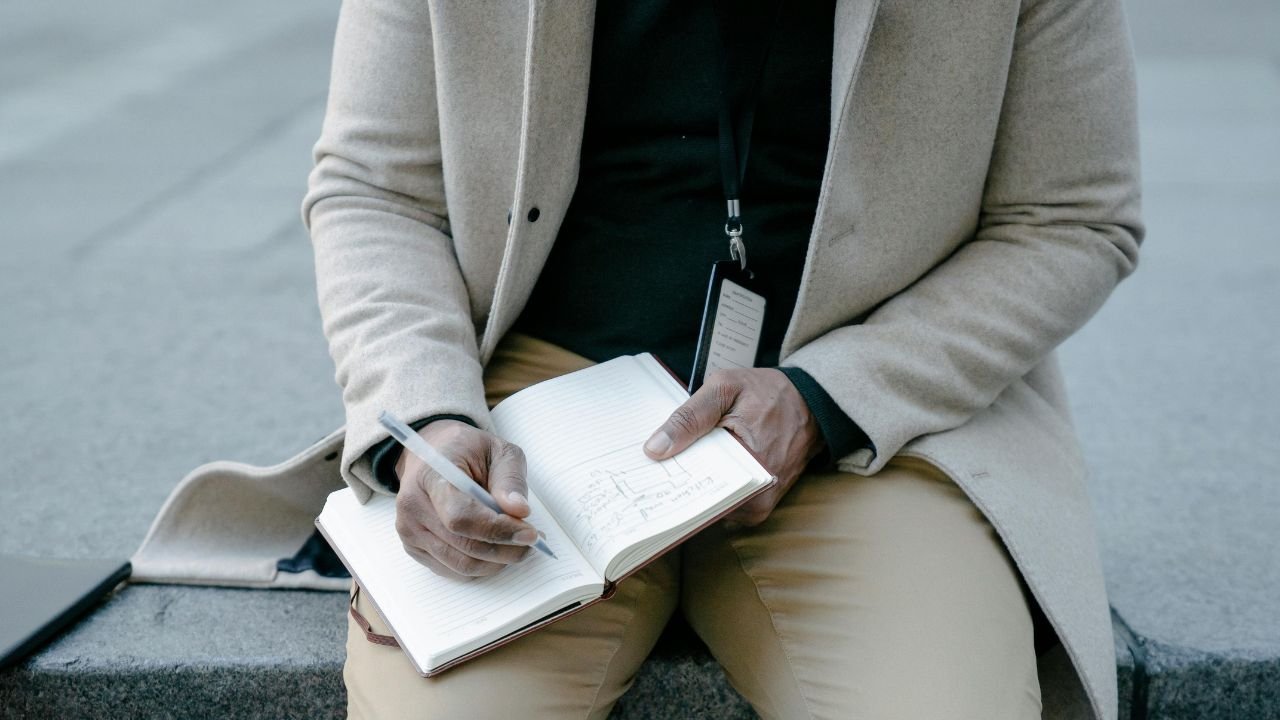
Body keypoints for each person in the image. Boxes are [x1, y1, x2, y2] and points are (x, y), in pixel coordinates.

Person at [302, 0, 1142, 718]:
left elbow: (1070, 216)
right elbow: (375, 189)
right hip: (530, 409)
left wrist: (830, 397)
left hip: (870, 415)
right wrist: (428, 419)